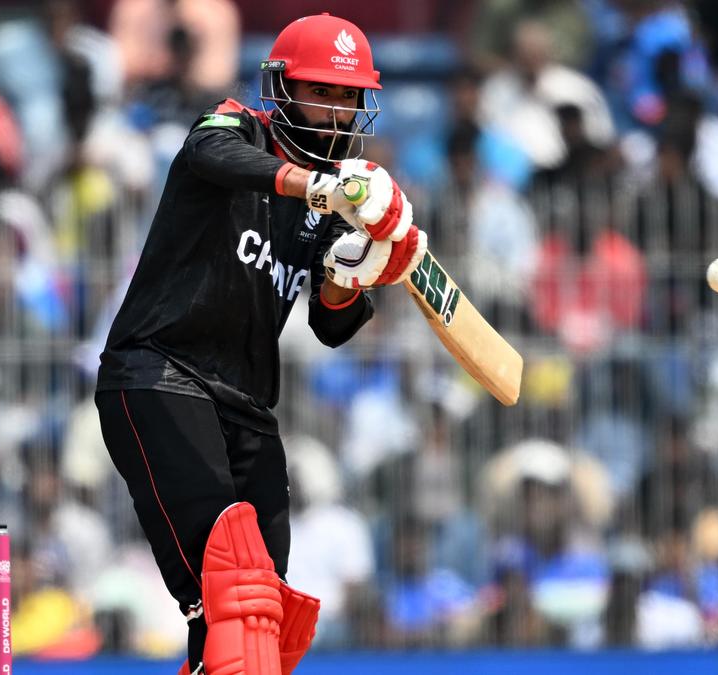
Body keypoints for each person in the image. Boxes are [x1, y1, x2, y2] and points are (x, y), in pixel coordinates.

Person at [94, 13, 426, 675]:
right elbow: (208, 156)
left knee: (263, 611)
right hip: (160, 375)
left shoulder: (334, 208)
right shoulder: (234, 126)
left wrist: (350, 273)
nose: (335, 113)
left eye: (348, 97)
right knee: (234, 588)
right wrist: (317, 186)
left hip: (246, 406)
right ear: (282, 89)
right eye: (321, 92)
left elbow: (332, 325)